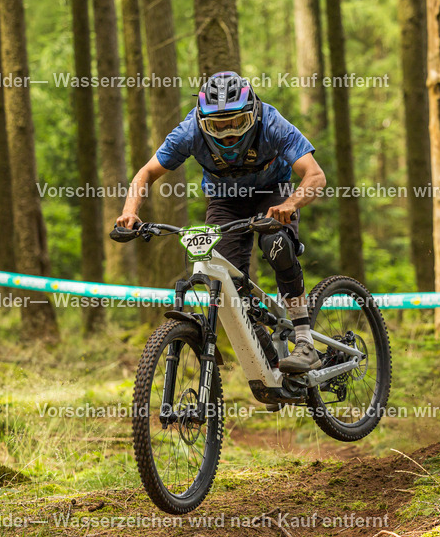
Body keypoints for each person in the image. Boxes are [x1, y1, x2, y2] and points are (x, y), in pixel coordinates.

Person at [116, 71, 327, 373]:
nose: (228, 134)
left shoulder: (271, 122)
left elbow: (315, 174)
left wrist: (290, 204)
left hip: (273, 192)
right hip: (225, 200)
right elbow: (146, 173)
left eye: (237, 123)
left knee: (276, 243)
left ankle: (305, 341)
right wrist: (130, 212)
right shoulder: (189, 132)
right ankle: (267, 357)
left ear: (252, 114)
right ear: (203, 122)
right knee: (218, 271)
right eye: (218, 126)